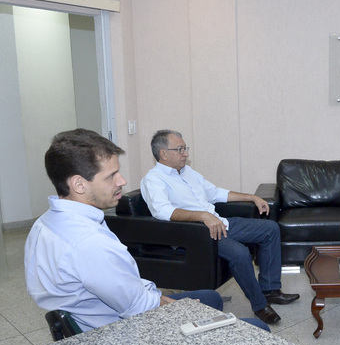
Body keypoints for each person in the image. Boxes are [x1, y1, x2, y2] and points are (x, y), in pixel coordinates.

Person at [24, 129, 269, 333]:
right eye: (111, 176)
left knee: (211, 298)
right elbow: (140, 308)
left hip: (113, 312)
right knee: (258, 328)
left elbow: (127, 290)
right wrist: (179, 309)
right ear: (79, 184)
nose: (122, 181)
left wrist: (161, 298)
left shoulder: (44, 224)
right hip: (126, 333)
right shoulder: (89, 243)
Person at [140, 129, 297, 326]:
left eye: (185, 148)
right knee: (240, 253)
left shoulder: (188, 172)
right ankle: (260, 306)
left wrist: (252, 197)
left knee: (270, 229)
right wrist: (203, 216)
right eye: (180, 149)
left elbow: (215, 193)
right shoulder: (153, 179)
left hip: (219, 223)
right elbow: (162, 211)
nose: (185, 154)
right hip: (196, 234)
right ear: (163, 153)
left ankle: (270, 290)